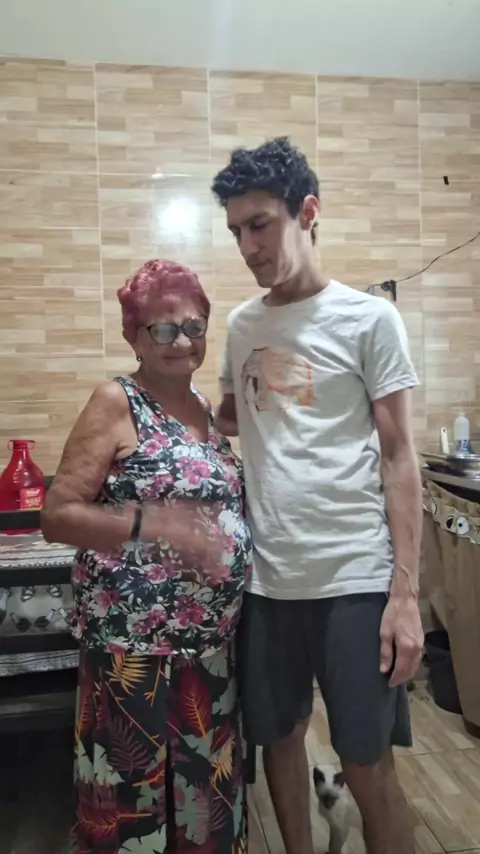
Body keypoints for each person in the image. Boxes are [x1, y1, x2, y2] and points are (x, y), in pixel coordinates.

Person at [211, 137, 424, 854]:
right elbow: (235, 416)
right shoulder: (242, 326)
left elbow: (399, 456)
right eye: (236, 230)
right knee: (279, 741)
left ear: (307, 213)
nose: (248, 246)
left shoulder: (369, 319)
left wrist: (404, 595)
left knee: (366, 764)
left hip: (354, 578)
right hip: (267, 581)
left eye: (260, 224)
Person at [41, 260, 252, 854]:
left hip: (207, 651)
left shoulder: (205, 409)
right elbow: (57, 515)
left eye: (194, 326)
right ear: (133, 335)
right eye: (163, 328)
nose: (182, 341)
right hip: (131, 655)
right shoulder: (117, 400)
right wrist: (150, 523)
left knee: (204, 811)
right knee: (132, 814)